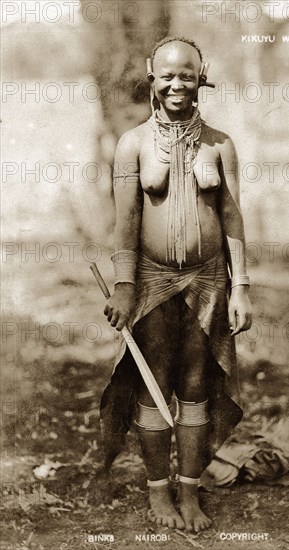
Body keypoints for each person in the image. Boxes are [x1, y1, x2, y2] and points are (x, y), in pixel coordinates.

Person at [102, 36, 253, 532]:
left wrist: (242, 286)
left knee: (195, 384)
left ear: (201, 76)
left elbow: (231, 216)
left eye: (185, 74)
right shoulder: (132, 143)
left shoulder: (220, 144)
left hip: (209, 281)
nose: (175, 84)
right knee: (154, 381)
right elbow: (125, 221)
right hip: (151, 280)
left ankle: (189, 493)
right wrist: (125, 286)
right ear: (151, 74)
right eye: (166, 75)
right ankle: (158, 493)